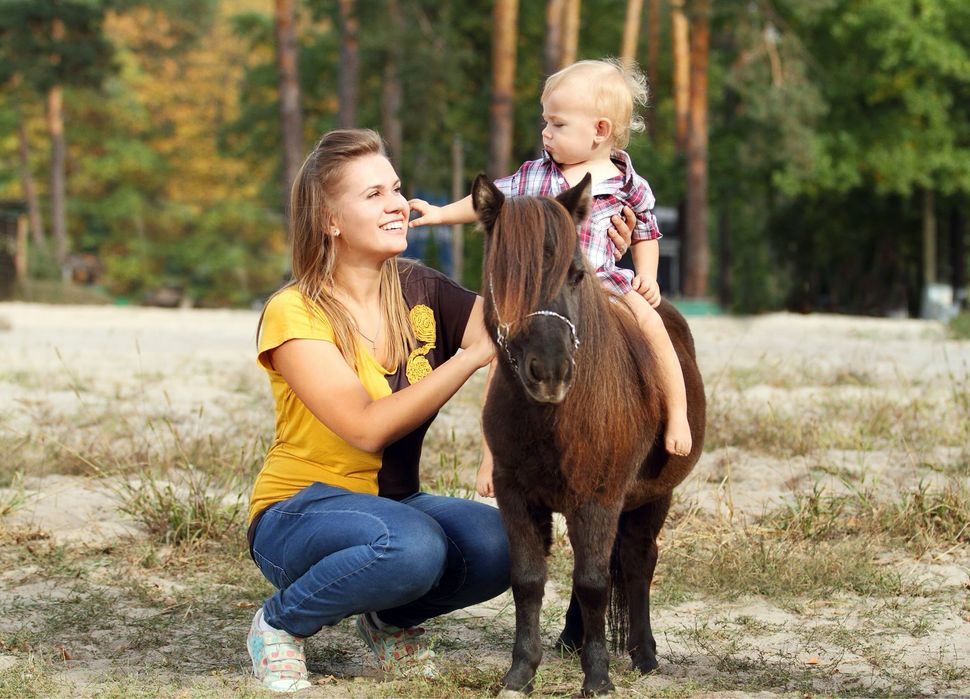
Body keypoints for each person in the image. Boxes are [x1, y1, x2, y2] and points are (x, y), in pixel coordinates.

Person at [245, 128, 511, 692]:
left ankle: (388, 620)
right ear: (330, 220)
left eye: (395, 187)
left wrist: (594, 241)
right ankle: (278, 624)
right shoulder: (294, 313)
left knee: (502, 542)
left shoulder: (423, 287)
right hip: (296, 512)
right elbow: (366, 429)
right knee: (414, 546)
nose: (396, 203)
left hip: (395, 504)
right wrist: (464, 361)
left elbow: (518, 321)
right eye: (373, 195)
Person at [409, 59, 692, 493]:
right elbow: (489, 201)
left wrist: (647, 276)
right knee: (502, 360)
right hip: (544, 292)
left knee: (654, 327)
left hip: (604, 286)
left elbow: (647, 231)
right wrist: (439, 214)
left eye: (557, 124)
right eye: (545, 122)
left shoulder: (628, 184)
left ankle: (677, 414)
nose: (546, 133)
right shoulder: (536, 175)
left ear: (599, 130)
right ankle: (493, 459)